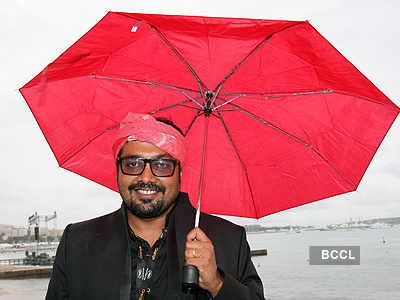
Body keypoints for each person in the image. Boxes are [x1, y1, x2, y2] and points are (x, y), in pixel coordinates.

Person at [46, 113, 264, 300]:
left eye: (162, 165)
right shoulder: (78, 242)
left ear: (179, 173)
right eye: (133, 164)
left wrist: (217, 283)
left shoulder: (228, 240)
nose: (146, 177)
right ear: (118, 170)